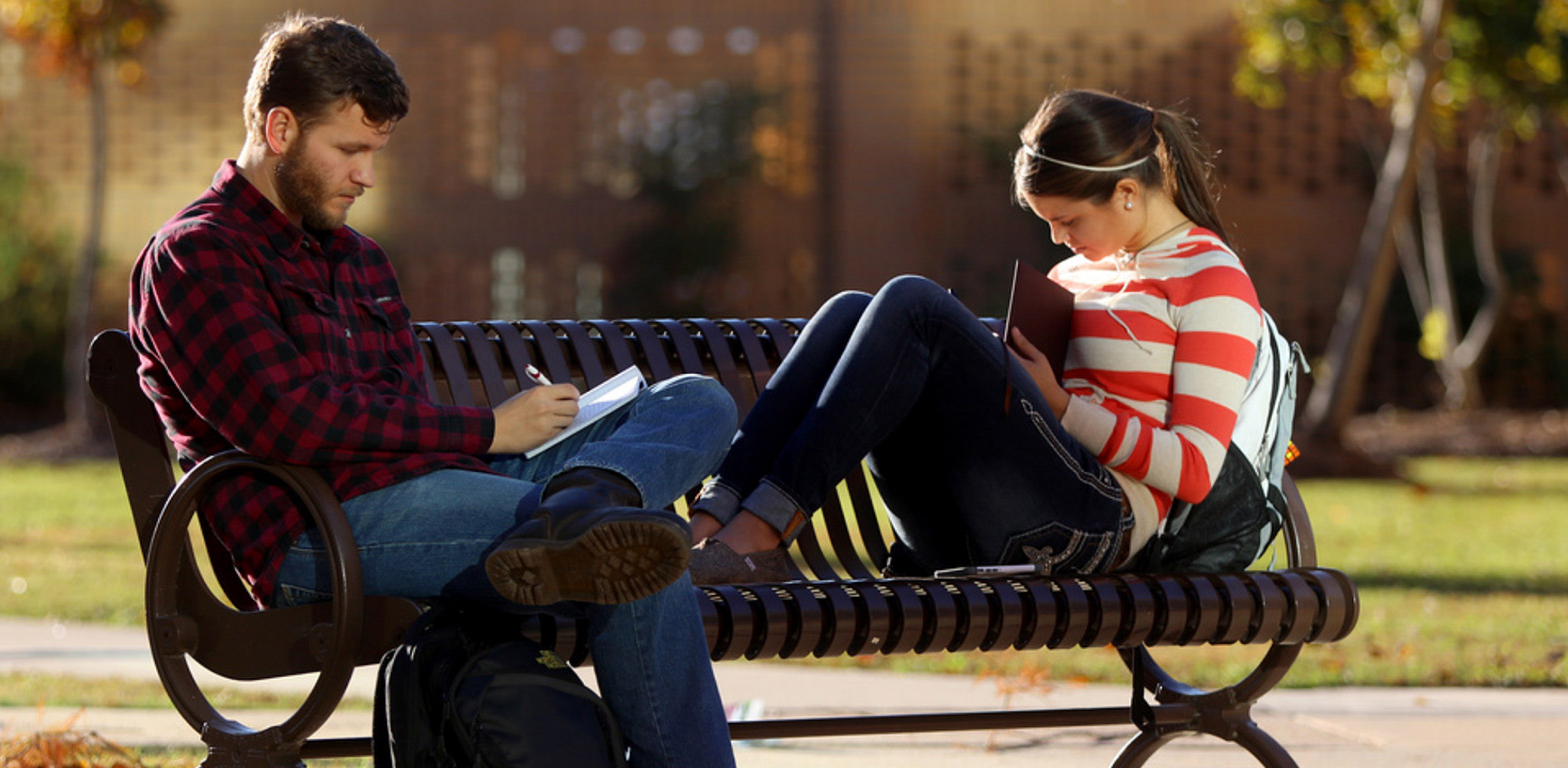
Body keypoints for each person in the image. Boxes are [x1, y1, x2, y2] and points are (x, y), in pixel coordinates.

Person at [127, 15, 738, 767]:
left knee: (696, 401)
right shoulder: (198, 256)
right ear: (278, 128)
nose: (366, 175)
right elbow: (290, 423)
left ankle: (581, 506)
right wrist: (489, 432)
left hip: (434, 490)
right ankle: (585, 521)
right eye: (349, 150)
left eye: (374, 153)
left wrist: (525, 437)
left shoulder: (360, 260)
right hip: (317, 530)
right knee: (636, 549)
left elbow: (400, 412)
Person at [687, 89, 1264, 584]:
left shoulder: (1211, 280)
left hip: (1094, 526)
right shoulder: (1073, 276)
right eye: (1049, 225)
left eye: (1068, 220)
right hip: (980, 520)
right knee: (849, 312)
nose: (1059, 240)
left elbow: (1193, 469)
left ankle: (760, 533)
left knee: (915, 303)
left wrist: (1061, 405)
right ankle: (708, 523)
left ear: (1126, 193)